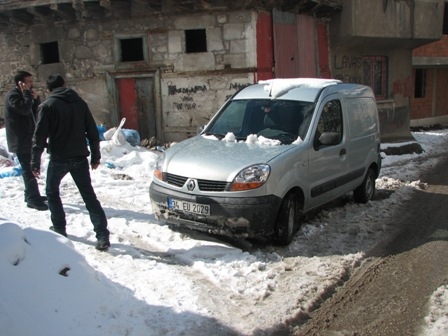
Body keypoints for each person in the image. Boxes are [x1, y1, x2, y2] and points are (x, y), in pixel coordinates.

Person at [31, 74, 110, 251]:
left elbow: (39, 137)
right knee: (89, 196)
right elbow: (92, 132)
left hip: (59, 157)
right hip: (80, 157)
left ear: (49, 89)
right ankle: (102, 235)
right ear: (64, 85)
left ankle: (59, 229)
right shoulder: (80, 104)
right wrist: (95, 157)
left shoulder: (47, 106)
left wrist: (35, 162)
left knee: (52, 192)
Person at [4, 70, 48, 211]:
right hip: (20, 139)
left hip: (28, 137)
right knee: (28, 169)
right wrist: (28, 95)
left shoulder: (24, 95)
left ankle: (30, 194)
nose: (30, 84)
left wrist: (36, 99)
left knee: (30, 167)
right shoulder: (13, 96)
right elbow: (23, 109)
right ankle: (32, 199)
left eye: (31, 81)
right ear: (20, 83)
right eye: (28, 82)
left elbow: (35, 111)